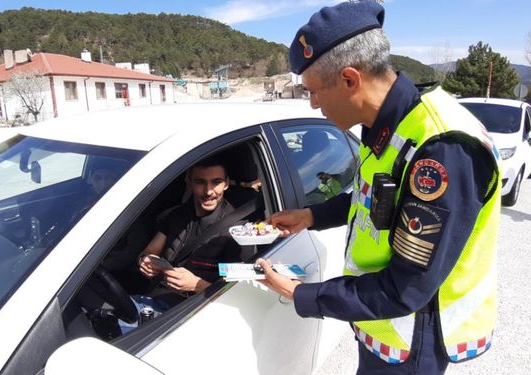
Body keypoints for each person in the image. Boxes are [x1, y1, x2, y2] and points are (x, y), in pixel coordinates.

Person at [257, 1, 501, 374]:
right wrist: (311, 215)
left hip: (411, 342)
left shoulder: (441, 148)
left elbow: (405, 290)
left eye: (314, 91)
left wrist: (300, 293)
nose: (313, 104)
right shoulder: (388, 128)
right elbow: (374, 198)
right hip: (382, 332)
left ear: (350, 80)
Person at [138, 156, 242, 305]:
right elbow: (150, 251)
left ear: (226, 184)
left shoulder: (238, 231)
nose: (208, 191)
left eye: (216, 182)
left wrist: (196, 285)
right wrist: (145, 261)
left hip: (201, 308)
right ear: (189, 182)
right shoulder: (176, 215)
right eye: (200, 182)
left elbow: (237, 293)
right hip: (159, 299)